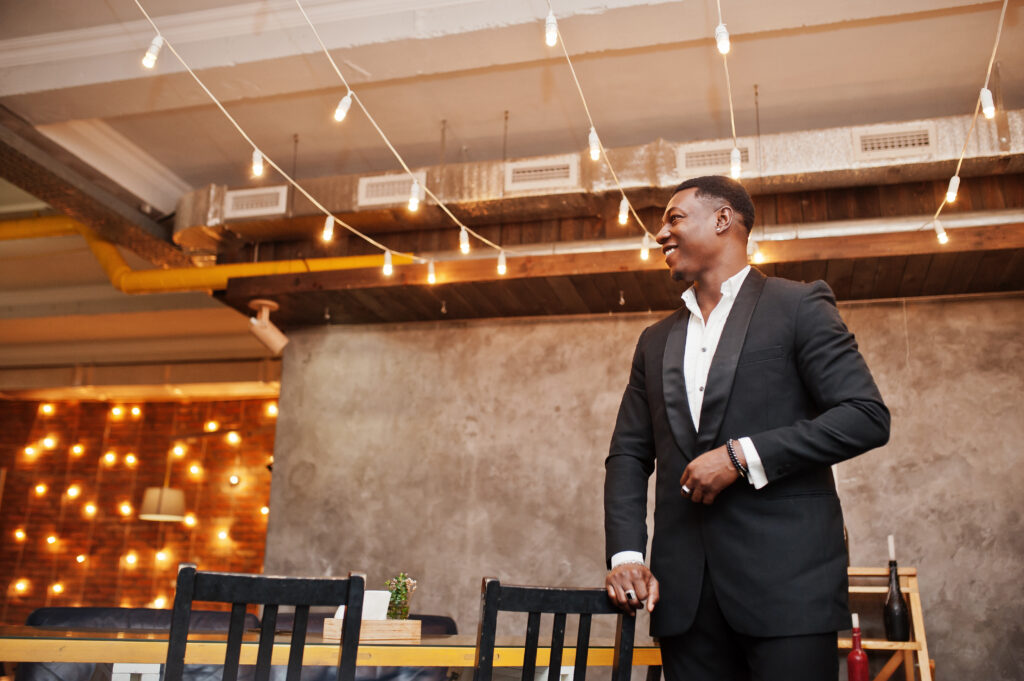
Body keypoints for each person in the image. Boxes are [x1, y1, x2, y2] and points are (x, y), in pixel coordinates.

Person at [603, 175, 890, 681]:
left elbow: (865, 415)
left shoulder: (798, 306)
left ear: (722, 220)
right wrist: (627, 554)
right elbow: (629, 454)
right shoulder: (654, 340)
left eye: (673, 218)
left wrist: (741, 457)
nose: (660, 235)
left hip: (789, 591)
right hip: (683, 600)